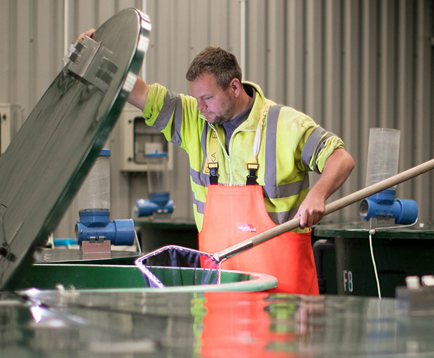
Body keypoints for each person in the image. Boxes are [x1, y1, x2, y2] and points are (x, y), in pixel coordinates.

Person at [79, 29, 354, 294]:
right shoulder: (193, 120)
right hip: (219, 291)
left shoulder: (287, 124)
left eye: (208, 98)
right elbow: (138, 92)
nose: (200, 107)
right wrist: (100, 60)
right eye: (196, 98)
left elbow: (341, 158)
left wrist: (318, 195)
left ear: (234, 87)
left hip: (282, 297)